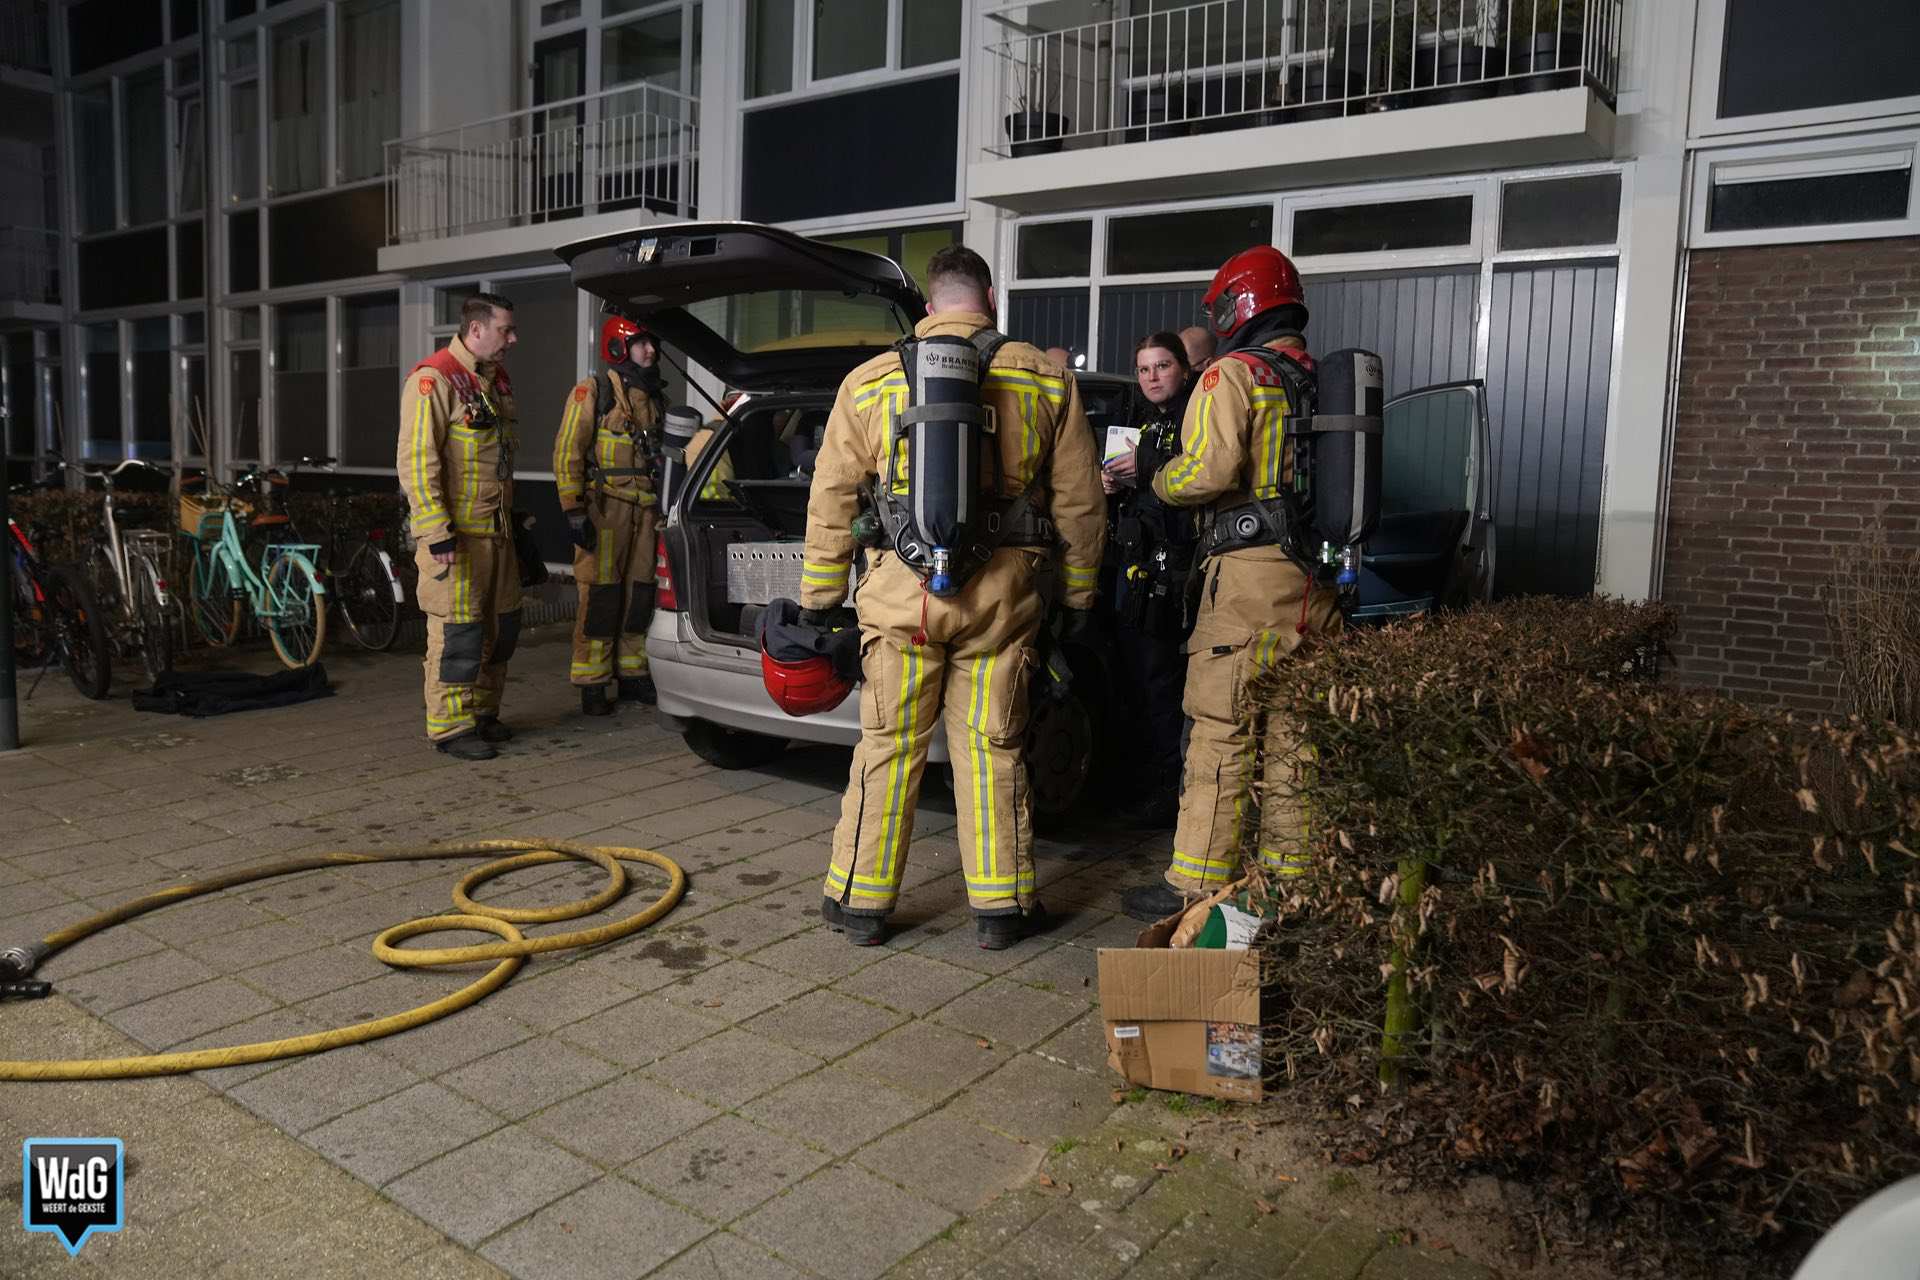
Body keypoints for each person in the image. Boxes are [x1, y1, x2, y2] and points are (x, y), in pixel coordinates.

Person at [802, 245, 1105, 949]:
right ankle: (1000, 911)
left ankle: (861, 904)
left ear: (930, 305)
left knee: (888, 744)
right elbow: (1081, 502)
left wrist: (819, 596)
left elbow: (832, 494)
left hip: (901, 601)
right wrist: (1081, 598)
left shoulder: (870, 380)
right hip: (1002, 599)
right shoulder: (1047, 378)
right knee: (992, 746)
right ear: (990, 298)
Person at [1121, 248, 1343, 923]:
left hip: (1247, 579)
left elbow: (1209, 473)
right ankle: (1288, 885)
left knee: (1221, 728)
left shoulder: (1233, 375)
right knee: (1296, 738)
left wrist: (1158, 476)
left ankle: (1193, 884)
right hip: (1318, 584)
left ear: (1240, 307)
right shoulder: (1318, 379)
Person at [397, 292, 521, 761]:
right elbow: (417, 462)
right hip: (459, 538)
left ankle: (483, 714)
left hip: (498, 532)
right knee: (458, 633)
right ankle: (450, 727)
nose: (513, 338)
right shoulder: (434, 380)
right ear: (475, 330)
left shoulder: (494, 380)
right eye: (505, 330)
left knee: (500, 628)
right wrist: (435, 533)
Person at [1100, 332, 1199, 828]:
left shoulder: (1197, 417)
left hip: (1176, 569)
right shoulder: (1137, 419)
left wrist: (1149, 468)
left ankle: (1171, 792)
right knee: (1138, 681)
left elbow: (1203, 482)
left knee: (1164, 683)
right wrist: (1110, 485)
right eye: (1143, 369)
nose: (1152, 377)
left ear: (1183, 368)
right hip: (1133, 566)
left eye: (1162, 366)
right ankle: (1147, 780)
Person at [554, 314, 667, 716]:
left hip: (645, 511)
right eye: (640, 342)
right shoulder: (594, 392)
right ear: (617, 347)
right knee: (601, 594)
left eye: (651, 342)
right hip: (605, 509)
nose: (650, 350)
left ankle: (632, 673)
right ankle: (592, 681)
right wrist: (573, 511)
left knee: (640, 592)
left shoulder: (653, 398)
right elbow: (568, 451)